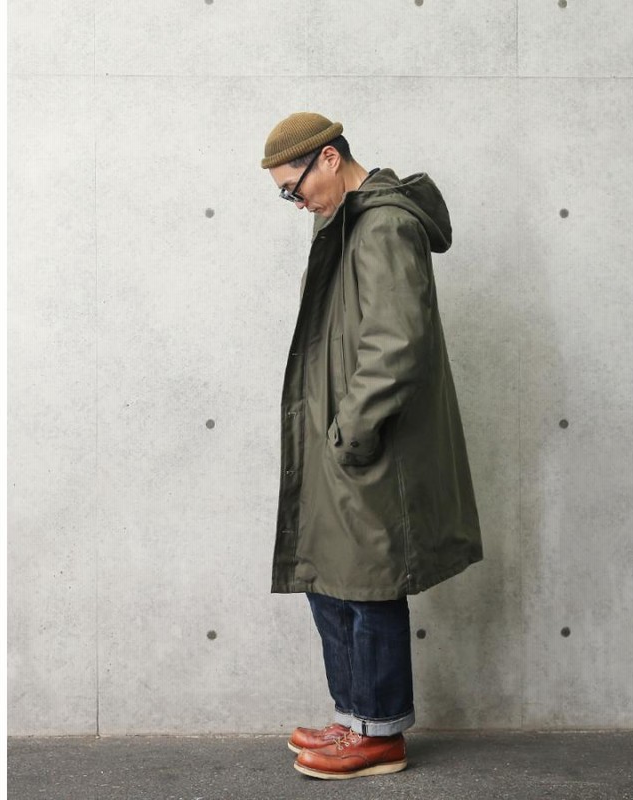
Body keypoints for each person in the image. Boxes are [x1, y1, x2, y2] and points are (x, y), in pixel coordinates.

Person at [261, 112, 483, 780]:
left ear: (329, 158)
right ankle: (353, 717)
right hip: (341, 437)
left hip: (371, 441)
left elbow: (396, 342)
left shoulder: (383, 225)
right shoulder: (345, 222)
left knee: (368, 584)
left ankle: (380, 734)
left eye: (294, 186)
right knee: (329, 577)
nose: (295, 201)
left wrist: (352, 429)